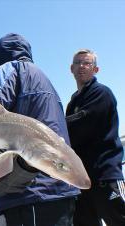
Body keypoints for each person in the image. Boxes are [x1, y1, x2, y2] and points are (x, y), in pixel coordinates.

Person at [0, 33, 80, 226]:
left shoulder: (9, 69)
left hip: (30, 192)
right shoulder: (44, 79)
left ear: (1, 55)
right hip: (62, 190)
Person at [66, 49, 125, 226]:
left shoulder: (102, 93)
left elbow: (80, 124)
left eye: (87, 63)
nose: (82, 67)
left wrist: (55, 126)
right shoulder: (74, 101)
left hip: (106, 178)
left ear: (95, 70)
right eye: (78, 63)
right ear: (71, 68)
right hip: (82, 181)